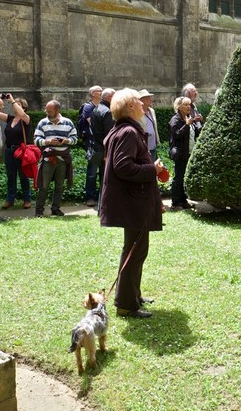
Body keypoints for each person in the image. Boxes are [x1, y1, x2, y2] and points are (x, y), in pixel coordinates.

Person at [99, 88, 164, 319]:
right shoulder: (128, 132)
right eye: (138, 100)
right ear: (129, 106)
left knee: (137, 251)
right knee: (134, 252)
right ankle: (126, 304)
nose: (143, 104)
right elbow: (123, 167)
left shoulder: (125, 130)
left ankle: (133, 295)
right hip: (133, 204)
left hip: (134, 202)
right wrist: (152, 169)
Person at [33, 100, 78, 217]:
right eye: (46, 110)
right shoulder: (42, 123)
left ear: (58, 110)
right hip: (48, 159)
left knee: (59, 186)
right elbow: (36, 140)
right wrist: (47, 141)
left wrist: (66, 141)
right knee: (43, 186)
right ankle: (39, 211)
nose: (47, 112)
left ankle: (55, 208)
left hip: (62, 160)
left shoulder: (68, 123)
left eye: (49, 111)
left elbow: (75, 138)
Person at [0, 96, 32, 210]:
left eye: (18, 104)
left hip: (21, 151)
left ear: (23, 107)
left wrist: (13, 100)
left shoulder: (25, 119)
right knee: (11, 176)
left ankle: (27, 199)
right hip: (9, 151)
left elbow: (22, 114)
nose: (15, 106)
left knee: (23, 176)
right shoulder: (10, 119)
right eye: (14, 104)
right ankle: (10, 199)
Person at [169, 96, 201, 210]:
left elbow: (194, 134)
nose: (189, 107)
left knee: (184, 177)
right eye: (186, 105)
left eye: (189, 105)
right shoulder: (175, 120)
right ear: (179, 107)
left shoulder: (188, 117)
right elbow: (176, 134)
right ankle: (175, 203)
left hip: (189, 152)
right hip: (180, 153)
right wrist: (187, 125)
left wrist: (197, 123)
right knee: (178, 178)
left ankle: (183, 200)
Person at [88, 88, 115, 207]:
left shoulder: (96, 109)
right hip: (104, 151)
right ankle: (104, 207)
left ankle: (102, 206)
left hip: (97, 148)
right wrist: (107, 153)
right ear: (109, 98)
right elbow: (109, 135)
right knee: (106, 180)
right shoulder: (107, 112)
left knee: (102, 178)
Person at [81, 85, 103, 206]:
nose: (101, 92)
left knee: (103, 171)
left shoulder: (103, 106)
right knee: (92, 172)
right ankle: (90, 197)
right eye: (98, 91)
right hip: (93, 143)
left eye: (101, 90)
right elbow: (92, 123)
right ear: (92, 94)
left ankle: (102, 196)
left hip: (102, 142)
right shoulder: (88, 107)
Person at [138, 89, 159, 161]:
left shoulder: (151, 111)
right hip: (143, 146)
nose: (150, 99)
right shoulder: (137, 113)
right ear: (141, 100)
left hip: (152, 144)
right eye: (147, 98)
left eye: (149, 98)